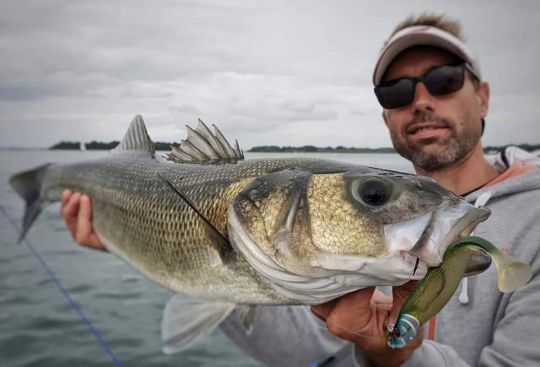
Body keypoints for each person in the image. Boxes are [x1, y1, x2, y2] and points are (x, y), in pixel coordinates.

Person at [62, 13, 540, 367]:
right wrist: (137, 240)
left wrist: (395, 358)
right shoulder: (346, 260)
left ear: (483, 96)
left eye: (443, 80)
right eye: (395, 92)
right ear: (385, 116)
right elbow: (307, 351)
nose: (420, 100)